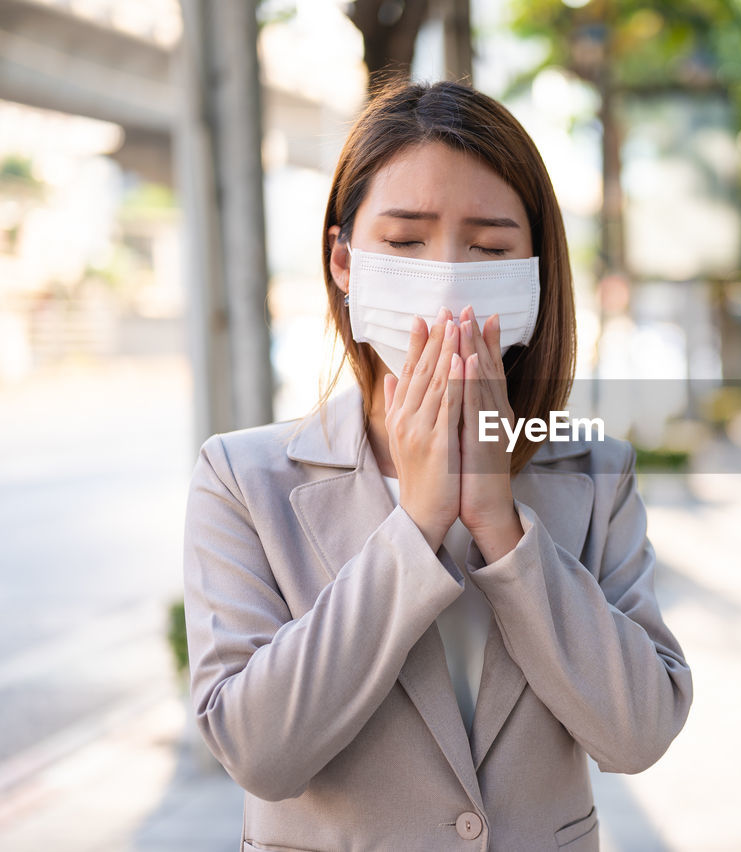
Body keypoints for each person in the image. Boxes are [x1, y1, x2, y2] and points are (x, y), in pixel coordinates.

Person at [181, 78, 694, 851]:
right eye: (406, 241)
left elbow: (638, 734)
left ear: (535, 272)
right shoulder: (243, 479)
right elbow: (258, 751)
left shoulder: (595, 476)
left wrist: (500, 524)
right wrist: (416, 524)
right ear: (344, 260)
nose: (448, 280)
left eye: (488, 248)